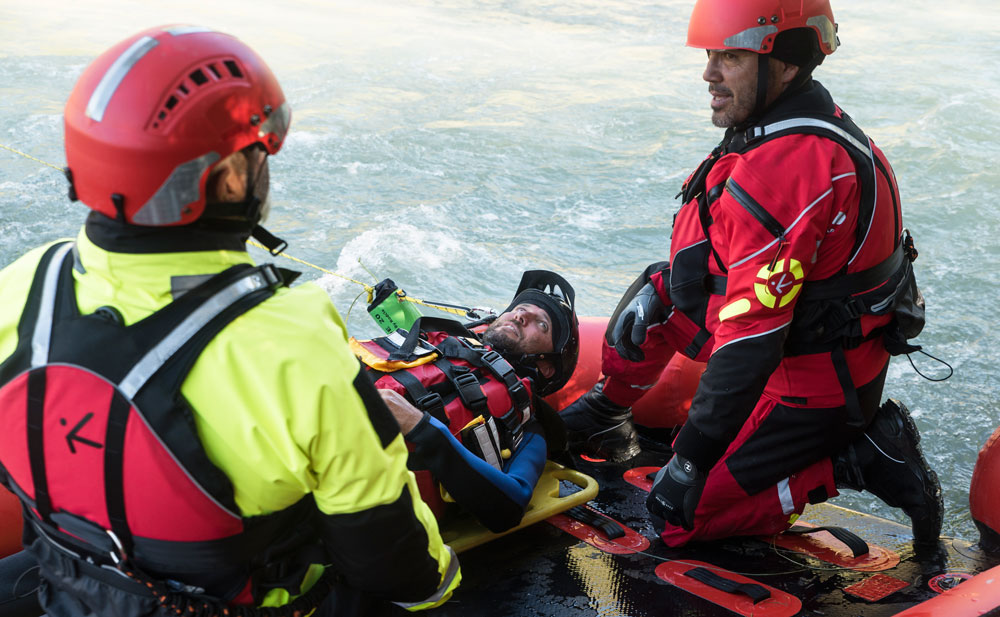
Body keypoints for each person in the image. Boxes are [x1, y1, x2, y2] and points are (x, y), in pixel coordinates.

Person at [0, 26, 459, 617]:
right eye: (259, 152)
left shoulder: (22, 284)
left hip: (71, 587)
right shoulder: (292, 342)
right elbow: (394, 563)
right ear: (227, 180)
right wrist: (441, 582)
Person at [561, 0, 944, 550]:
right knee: (659, 298)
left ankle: (858, 460)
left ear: (785, 64)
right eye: (712, 54)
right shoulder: (781, 126)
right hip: (796, 341)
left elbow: (752, 342)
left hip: (810, 387)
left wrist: (689, 461)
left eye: (730, 58)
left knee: (676, 520)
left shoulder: (788, 169)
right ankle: (610, 407)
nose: (709, 74)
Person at [354, 271, 579, 533]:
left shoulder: (528, 427)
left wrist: (420, 426)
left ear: (546, 365)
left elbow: (509, 508)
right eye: (519, 308)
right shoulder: (450, 342)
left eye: (541, 324)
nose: (521, 315)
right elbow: (429, 353)